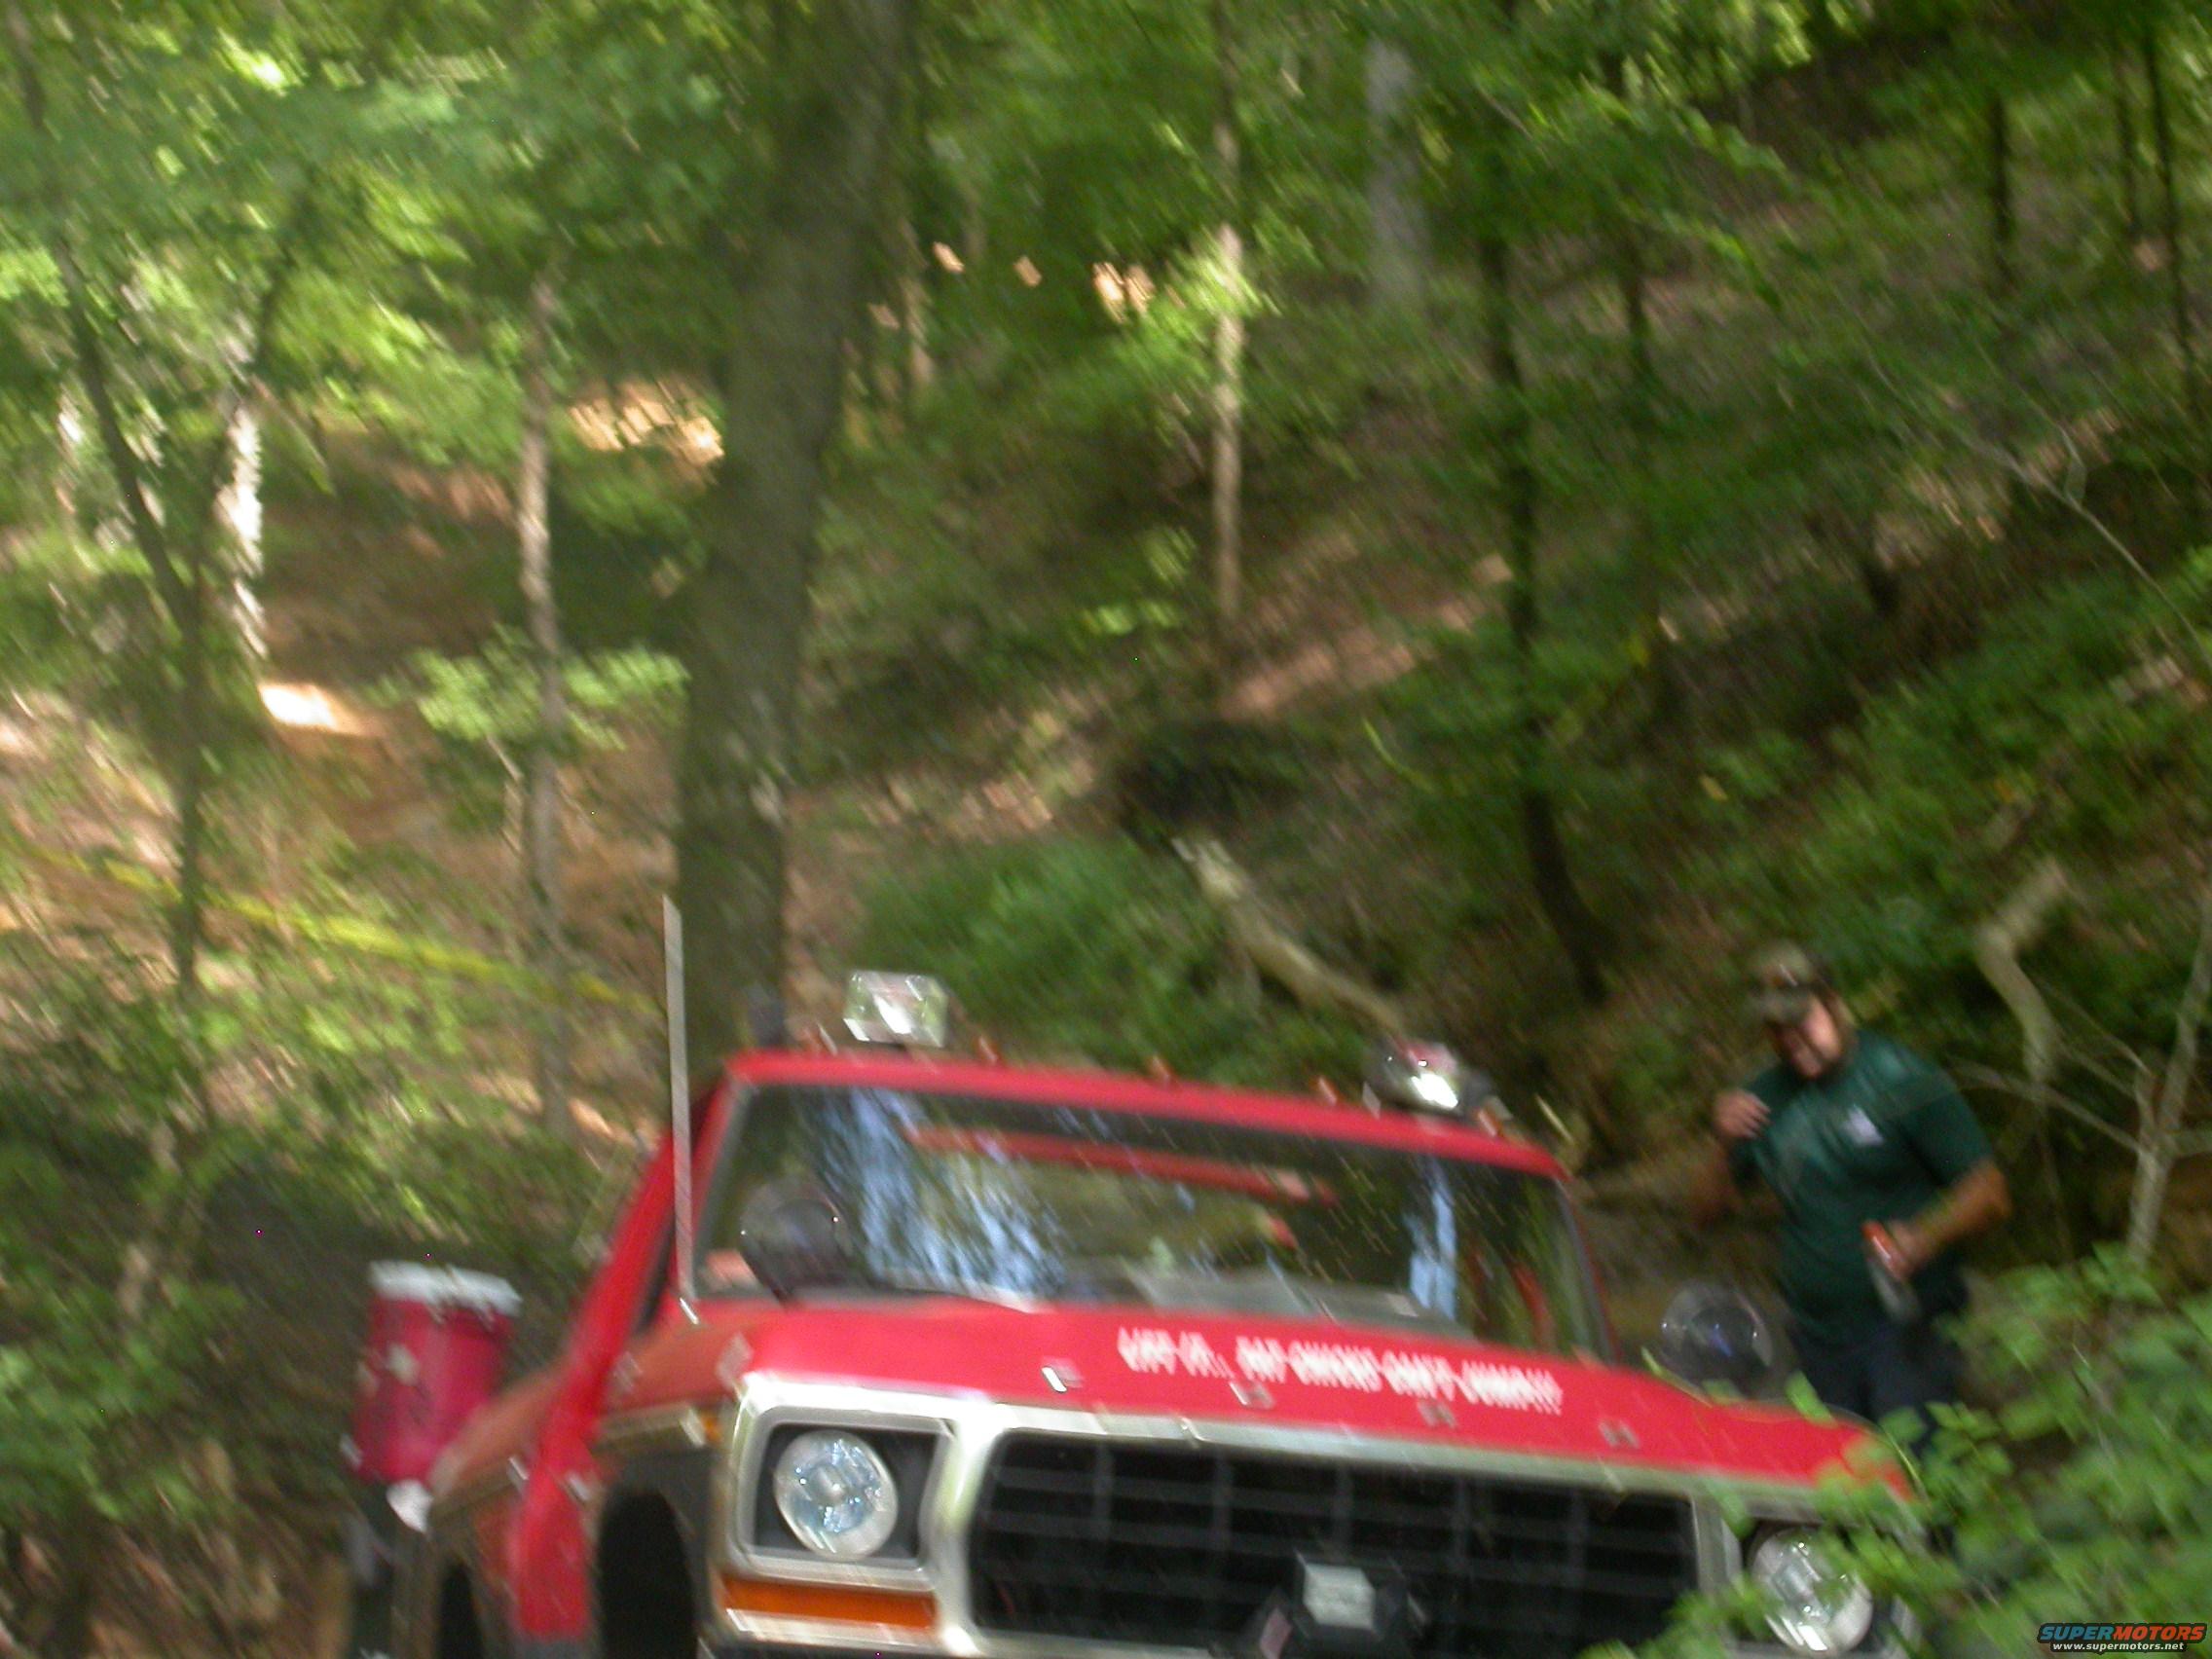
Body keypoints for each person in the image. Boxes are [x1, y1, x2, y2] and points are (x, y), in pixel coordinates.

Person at [1691, 943, 2011, 1450]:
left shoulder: (1900, 1078)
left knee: (1911, 1472)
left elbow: (1989, 1191)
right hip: (1815, 1339)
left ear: (1835, 1004)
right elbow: (1705, 1214)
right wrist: (1721, 1143)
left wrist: (1923, 1238)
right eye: (1775, 1028)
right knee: (1835, 1482)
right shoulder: (1763, 1099)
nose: (1789, 1039)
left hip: (1908, 1330)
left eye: (1800, 1021)